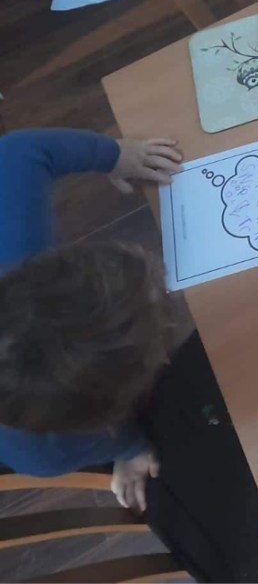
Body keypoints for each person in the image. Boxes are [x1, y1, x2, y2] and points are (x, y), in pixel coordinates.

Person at [0, 128, 183, 511]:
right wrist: (130, 448)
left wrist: (116, 155)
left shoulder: (13, 244)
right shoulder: (40, 452)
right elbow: (98, 440)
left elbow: (20, 151)